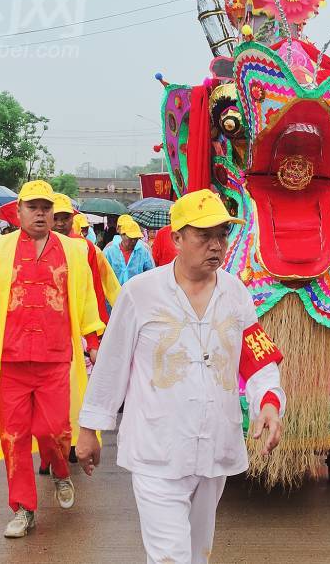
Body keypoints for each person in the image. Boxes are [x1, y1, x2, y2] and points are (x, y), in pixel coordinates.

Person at [76, 189, 285, 563]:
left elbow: (257, 358)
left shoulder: (236, 294)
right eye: (204, 235)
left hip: (214, 445)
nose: (216, 245)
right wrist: (90, 428)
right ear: (176, 239)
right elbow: (111, 364)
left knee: (197, 552)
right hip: (157, 447)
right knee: (170, 556)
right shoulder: (140, 294)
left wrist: (269, 403)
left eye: (222, 234)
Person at [0, 179, 106, 539]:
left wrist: (93, 343)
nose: (40, 214)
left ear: (54, 212)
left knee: (53, 430)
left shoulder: (73, 252)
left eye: (46, 208)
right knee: (14, 436)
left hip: (56, 361)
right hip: (9, 361)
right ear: (19, 211)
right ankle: (23, 508)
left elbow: (87, 302)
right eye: (33, 207)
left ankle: (60, 471)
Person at [104, 214, 155, 285]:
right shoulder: (109, 252)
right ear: (122, 235)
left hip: (136, 290)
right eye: (131, 238)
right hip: (115, 291)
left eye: (136, 238)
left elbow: (150, 273)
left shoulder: (143, 251)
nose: (133, 241)